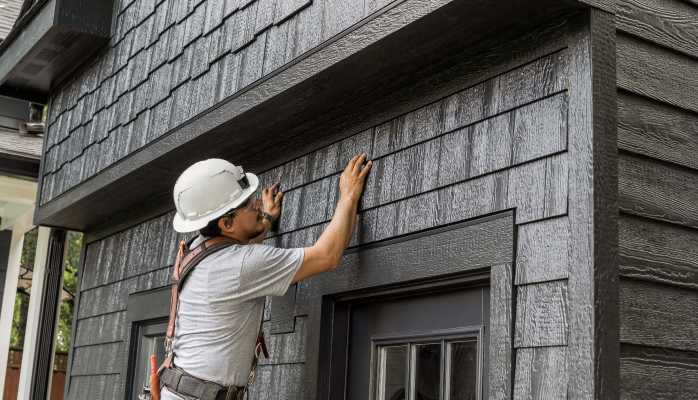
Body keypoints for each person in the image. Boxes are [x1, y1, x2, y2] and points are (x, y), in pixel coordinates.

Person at [160, 154, 372, 400]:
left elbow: (237, 260)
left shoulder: (196, 248)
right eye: (249, 203)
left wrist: (265, 221)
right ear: (226, 223)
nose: (258, 203)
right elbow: (327, 256)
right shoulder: (242, 264)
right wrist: (348, 195)